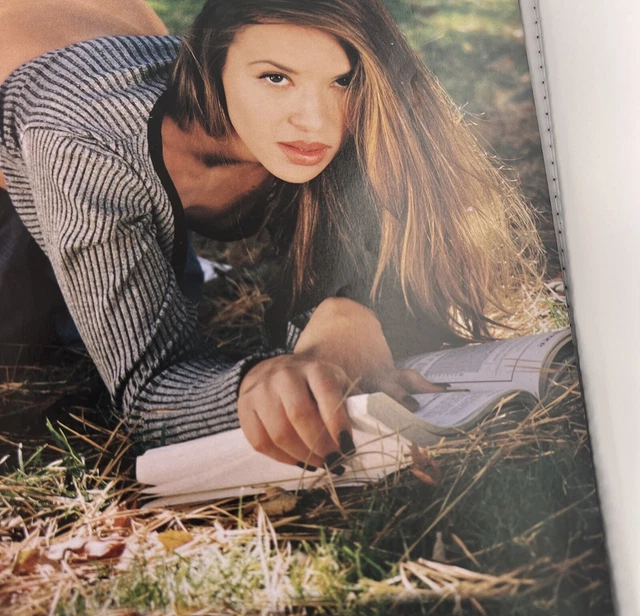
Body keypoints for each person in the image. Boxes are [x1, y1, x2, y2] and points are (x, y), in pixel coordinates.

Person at [0, 0, 539, 471]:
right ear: (212, 65)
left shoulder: (338, 119)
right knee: (28, 343)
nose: (315, 122)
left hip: (103, 47)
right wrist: (252, 385)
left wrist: (349, 312)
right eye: (276, 78)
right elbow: (150, 391)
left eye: (342, 80)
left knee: (173, 275)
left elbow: (389, 273)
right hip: (41, 140)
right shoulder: (86, 148)